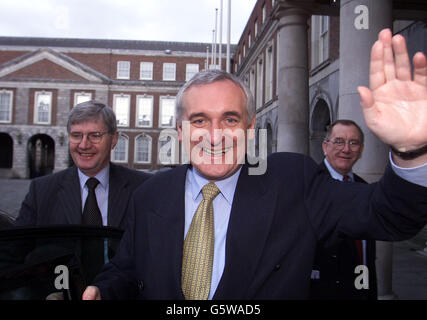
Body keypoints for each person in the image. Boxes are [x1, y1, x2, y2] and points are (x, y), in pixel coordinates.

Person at [83, 29, 427, 300]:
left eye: (230, 120)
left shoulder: (295, 182)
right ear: (180, 131)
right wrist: (105, 291)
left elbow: (389, 216)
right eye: (200, 121)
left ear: (250, 128)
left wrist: (411, 149)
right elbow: (129, 269)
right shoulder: (150, 195)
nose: (215, 136)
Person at [15, 100, 151, 229]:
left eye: (95, 135)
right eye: (76, 135)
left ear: (114, 139)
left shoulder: (142, 188)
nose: (84, 145)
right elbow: (15, 249)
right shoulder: (41, 190)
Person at [310, 120, 377, 300]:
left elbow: (366, 254)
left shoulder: (365, 189)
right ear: (325, 147)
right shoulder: (308, 186)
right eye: (339, 141)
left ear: (361, 150)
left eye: (353, 143)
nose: (346, 149)